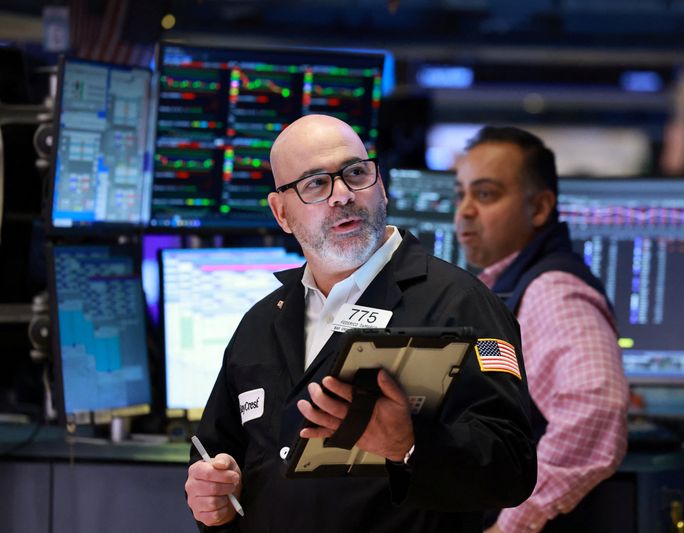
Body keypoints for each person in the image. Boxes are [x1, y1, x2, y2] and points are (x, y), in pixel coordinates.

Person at [184, 114, 542, 533]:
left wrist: (408, 444)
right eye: (315, 183)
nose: (342, 195)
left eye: (355, 173)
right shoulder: (261, 321)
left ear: (380, 185)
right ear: (281, 212)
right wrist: (212, 497)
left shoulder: (459, 303)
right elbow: (215, 455)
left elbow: (512, 469)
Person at [454, 126, 629, 533]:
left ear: (539, 208)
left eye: (485, 194)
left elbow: (595, 410)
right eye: (460, 193)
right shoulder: (509, 286)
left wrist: (513, 525)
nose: (464, 210)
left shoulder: (552, 292)